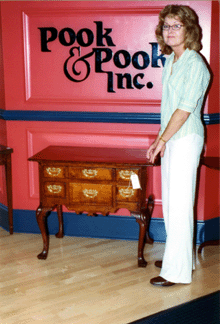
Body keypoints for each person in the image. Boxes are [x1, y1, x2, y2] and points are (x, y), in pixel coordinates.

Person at [146, 4, 210, 286]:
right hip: (173, 137)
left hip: (186, 138)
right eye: (166, 26)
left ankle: (177, 272)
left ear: (189, 30)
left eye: (176, 26)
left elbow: (184, 110)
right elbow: (168, 108)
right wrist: (160, 139)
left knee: (181, 203)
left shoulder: (195, 64)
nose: (169, 31)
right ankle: (180, 257)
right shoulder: (171, 61)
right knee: (172, 203)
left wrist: (162, 139)